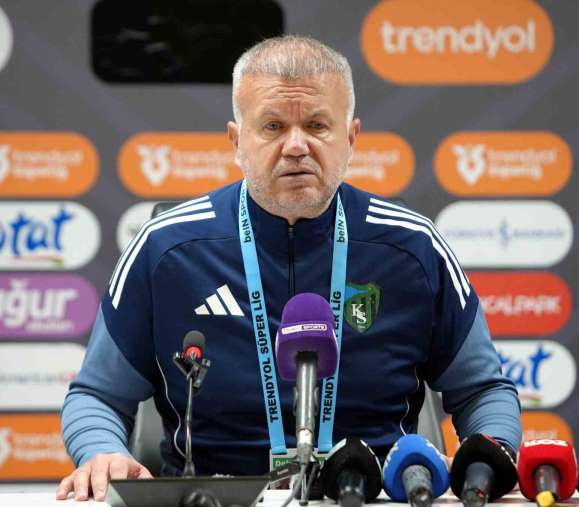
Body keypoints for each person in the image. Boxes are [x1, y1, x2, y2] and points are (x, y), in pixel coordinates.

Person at [57, 35, 521, 501]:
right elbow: (96, 396)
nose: (296, 146)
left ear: (351, 138)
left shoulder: (415, 247)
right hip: (212, 499)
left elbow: (483, 391)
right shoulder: (165, 248)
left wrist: (490, 457)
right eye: (273, 126)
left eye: (317, 125)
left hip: (373, 497)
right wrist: (102, 452)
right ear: (237, 141)